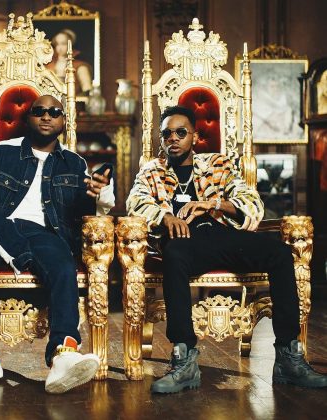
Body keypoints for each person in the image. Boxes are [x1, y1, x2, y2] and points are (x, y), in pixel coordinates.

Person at [127, 105, 327, 393]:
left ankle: (288, 357)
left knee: (281, 253)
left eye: (181, 132)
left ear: (195, 136)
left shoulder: (217, 164)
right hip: (183, 242)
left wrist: (214, 204)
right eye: (167, 134)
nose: (173, 138)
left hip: (221, 234)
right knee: (174, 254)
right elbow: (136, 204)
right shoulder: (151, 171)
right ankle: (184, 358)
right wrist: (165, 217)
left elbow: (252, 203)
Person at [0, 95, 114, 393]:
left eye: (54, 112)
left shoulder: (75, 163)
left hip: (47, 234)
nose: (47, 116)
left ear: (63, 121)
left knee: (63, 267)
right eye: (39, 111)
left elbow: (82, 214)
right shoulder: (0, 152)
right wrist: (13, 245)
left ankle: (64, 354)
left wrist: (100, 194)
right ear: (28, 118)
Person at [46, 29, 93, 95]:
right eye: (57, 44)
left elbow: (87, 90)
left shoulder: (80, 67)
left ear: (70, 45)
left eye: (63, 44)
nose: (60, 47)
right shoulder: (49, 66)